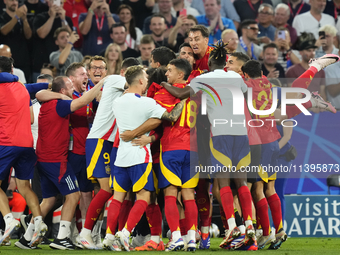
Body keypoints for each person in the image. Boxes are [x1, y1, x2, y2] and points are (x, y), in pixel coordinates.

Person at [107, 65, 187, 252]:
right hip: (140, 155)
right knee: (145, 197)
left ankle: (110, 237)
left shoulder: (118, 102)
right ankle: (125, 234)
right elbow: (169, 117)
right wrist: (183, 99)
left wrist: (134, 132)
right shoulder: (147, 103)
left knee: (118, 198)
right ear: (141, 81)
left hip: (121, 157)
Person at [34, 75, 104, 250]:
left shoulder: (49, 103)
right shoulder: (61, 104)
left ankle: (29, 236)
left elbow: (41, 94)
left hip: (44, 158)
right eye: (70, 85)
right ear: (63, 90)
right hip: (56, 159)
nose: (73, 87)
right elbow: (82, 101)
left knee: (49, 200)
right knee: (74, 196)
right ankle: (62, 238)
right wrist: (101, 84)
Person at [76, 58, 140, 250]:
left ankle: (106, 235)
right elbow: (135, 84)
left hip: (111, 143)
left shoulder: (122, 89)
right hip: (99, 140)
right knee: (106, 189)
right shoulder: (114, 80)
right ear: (123, 72)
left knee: (116, 190)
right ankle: (85, 233)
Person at [0, 56, 48, 247]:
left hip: (6, 143)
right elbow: (30, 119)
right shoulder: (22, 87)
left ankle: (9, 220)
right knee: (24, 187)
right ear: (12, 70)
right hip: (27, 144)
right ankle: (38, 221)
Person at [32, 0, 73, 82]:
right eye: (56, 2)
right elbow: (42, 34)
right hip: (42, 64)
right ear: (49, 3)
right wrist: (52, 17)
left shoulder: (67, 20)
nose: (58, 5)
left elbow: (71, 38)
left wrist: (63, 19)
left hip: (62, 66)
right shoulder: (40, 17)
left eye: (61, 3)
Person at [0, 0, 32, 82]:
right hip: (6, 62)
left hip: (23, 60)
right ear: (5, 1)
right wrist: (16, 17)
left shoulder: (21, 18)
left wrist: (24, 19)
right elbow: (4, 31)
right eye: (11, 0)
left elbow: (29, 36)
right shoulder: (2, 17)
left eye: (16, 0)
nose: (14, 2)